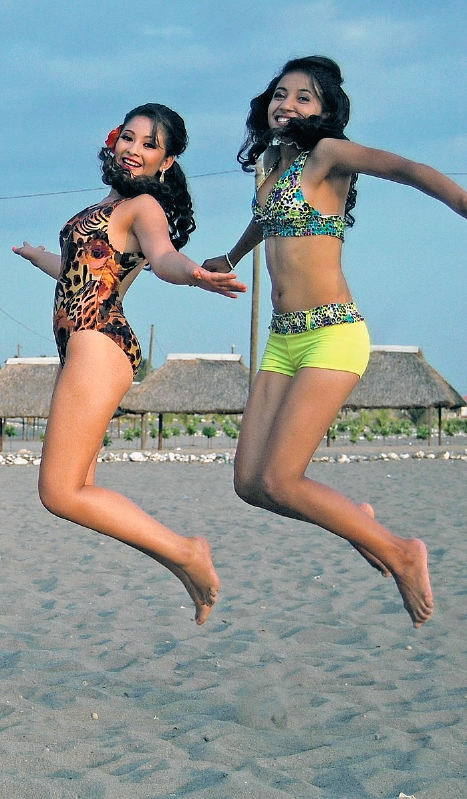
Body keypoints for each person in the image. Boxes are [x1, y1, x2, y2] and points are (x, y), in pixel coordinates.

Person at [201, 56, 466, 627]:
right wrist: (232, 254)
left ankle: (402, 551)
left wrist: (463, 203)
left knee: (281, 479)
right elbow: (269, 219)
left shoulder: (329, 156)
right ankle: (355, 519)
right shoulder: (273, 163)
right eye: (280, 94)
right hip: (282, 340)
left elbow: (407, 168)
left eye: (303, 97)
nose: (287, 105)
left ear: (325, 111)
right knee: (249, 483)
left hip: (331, 335)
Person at [13, 104, 244, 624]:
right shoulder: (110, 205)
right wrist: (35, 256)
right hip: (80, 346)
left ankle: (187, 551)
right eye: (129, 137)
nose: (133, 149)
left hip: (100, 341)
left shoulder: (142, 207)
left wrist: (193, 274)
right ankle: (182, 560)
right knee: (79, 490)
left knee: (60, 491)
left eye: (148, 144)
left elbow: (163, 258)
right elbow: (83, 269)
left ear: (165, 161)